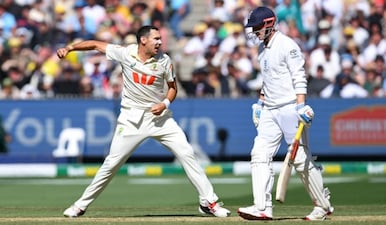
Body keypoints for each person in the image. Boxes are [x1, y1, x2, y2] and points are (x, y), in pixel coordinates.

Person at [56, 25, 230, 218]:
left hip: (160, 119)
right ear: (143, 40)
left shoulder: (164, 61)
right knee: (111, 164)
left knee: (187, 153)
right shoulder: (126, 53)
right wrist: (70, 48)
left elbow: (172, 88)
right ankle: (80, 205)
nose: (160, 42)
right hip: (132, 120)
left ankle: (209, 202)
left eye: (160, 39)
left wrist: (164, 104)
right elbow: (96, 45)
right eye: (155, 39)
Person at [238, 7, 334, 221]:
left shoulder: (287, 45)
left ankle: (323, 206)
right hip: (270, 110)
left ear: (269, 24)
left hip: (290, 108)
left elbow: (299, 76)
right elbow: (268, 80)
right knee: (259, 154)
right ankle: (262, 207)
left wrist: (301, 106)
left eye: (256, 27)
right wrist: (259, 103)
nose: (253, 32)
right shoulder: (262, 49)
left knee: (300, 159)